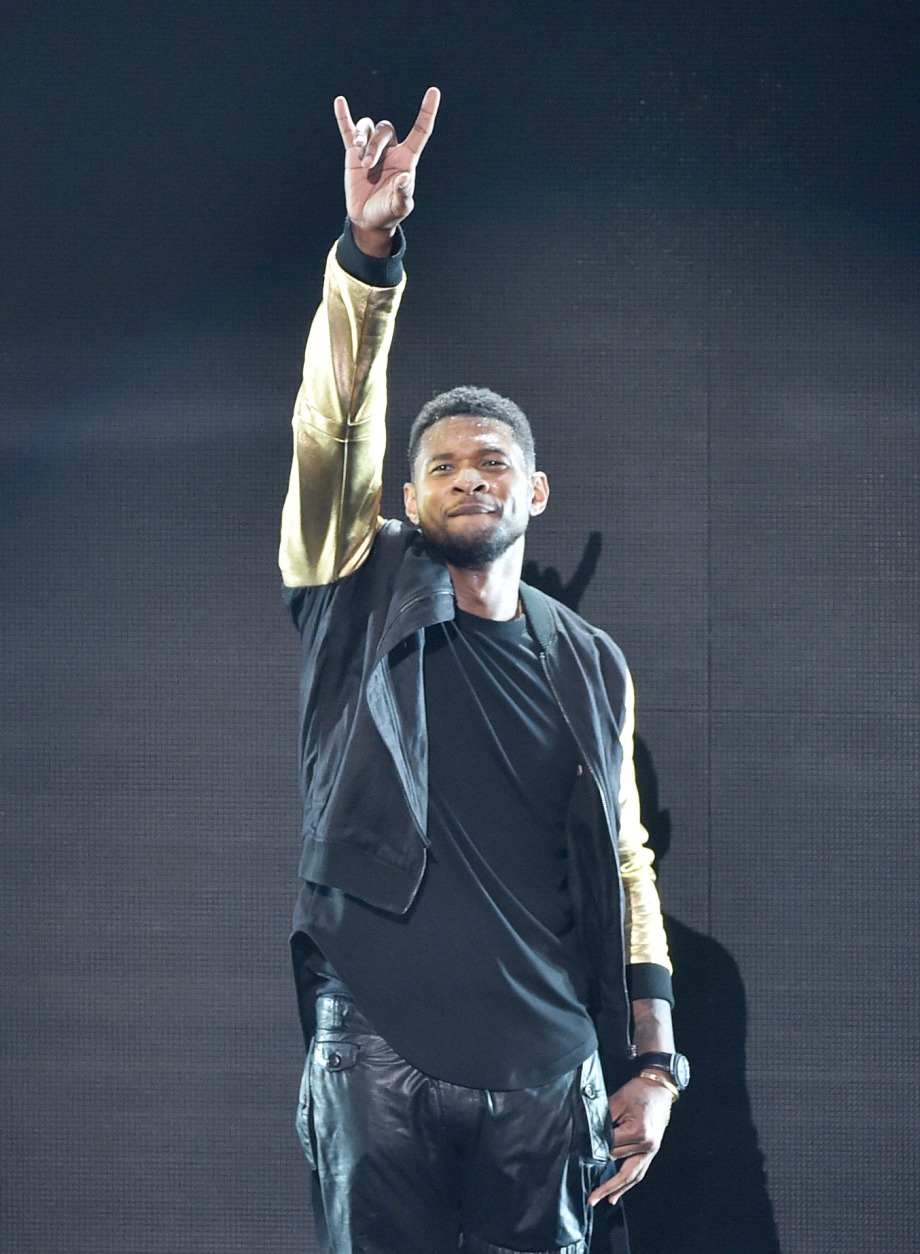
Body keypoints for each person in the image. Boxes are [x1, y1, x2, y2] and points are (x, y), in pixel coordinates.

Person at [279, 86, 688, 1254]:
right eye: (443, 464)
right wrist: (368, 256)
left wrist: (652, 1061)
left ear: (534, 491)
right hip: (379, 1052)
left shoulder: (588, 662)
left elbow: (625, 862)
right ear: (407, 499)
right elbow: (331, 426)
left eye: (493, 460)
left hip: (546, 1068)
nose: (468, 475)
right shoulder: (353, 590)